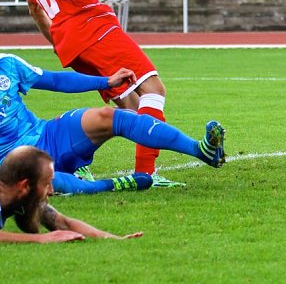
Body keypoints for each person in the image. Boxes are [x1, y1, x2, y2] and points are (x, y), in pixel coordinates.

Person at [13, 0, 184, 187]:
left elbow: (35, 9)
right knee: (154, 91)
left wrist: (59, 42)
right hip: (93, 28)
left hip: (73, 41)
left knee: (130, 106)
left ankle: (70, 165)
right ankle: (146, 174)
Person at [0, 53, 226, 196]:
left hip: (47, 135)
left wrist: (106, 81)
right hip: (12, 163)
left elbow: (55, 80)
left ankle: (201, 150)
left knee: (110, 116)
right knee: (50, 181)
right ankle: (115, 184)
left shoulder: (8, 64)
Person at [0, 146, 144, 243]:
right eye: (46, 184)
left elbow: (64, 223)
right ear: (24, 185)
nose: (51, 190)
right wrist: (41, 238)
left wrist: (115, 239)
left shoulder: (23, 195)